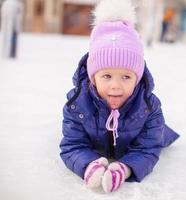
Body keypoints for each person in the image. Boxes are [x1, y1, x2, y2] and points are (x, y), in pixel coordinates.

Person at [59, 0, 179, 193]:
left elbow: (148, 148)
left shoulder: (148, 107)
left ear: (137, 79)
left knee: (160, 134)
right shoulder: (77, 105)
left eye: (126, 76)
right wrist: (89, 165)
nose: (115, 85)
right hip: (98, 145)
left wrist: (125, 168)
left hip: (140, 138)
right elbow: (72, 145)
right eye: (106, 76)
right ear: (93, 77)